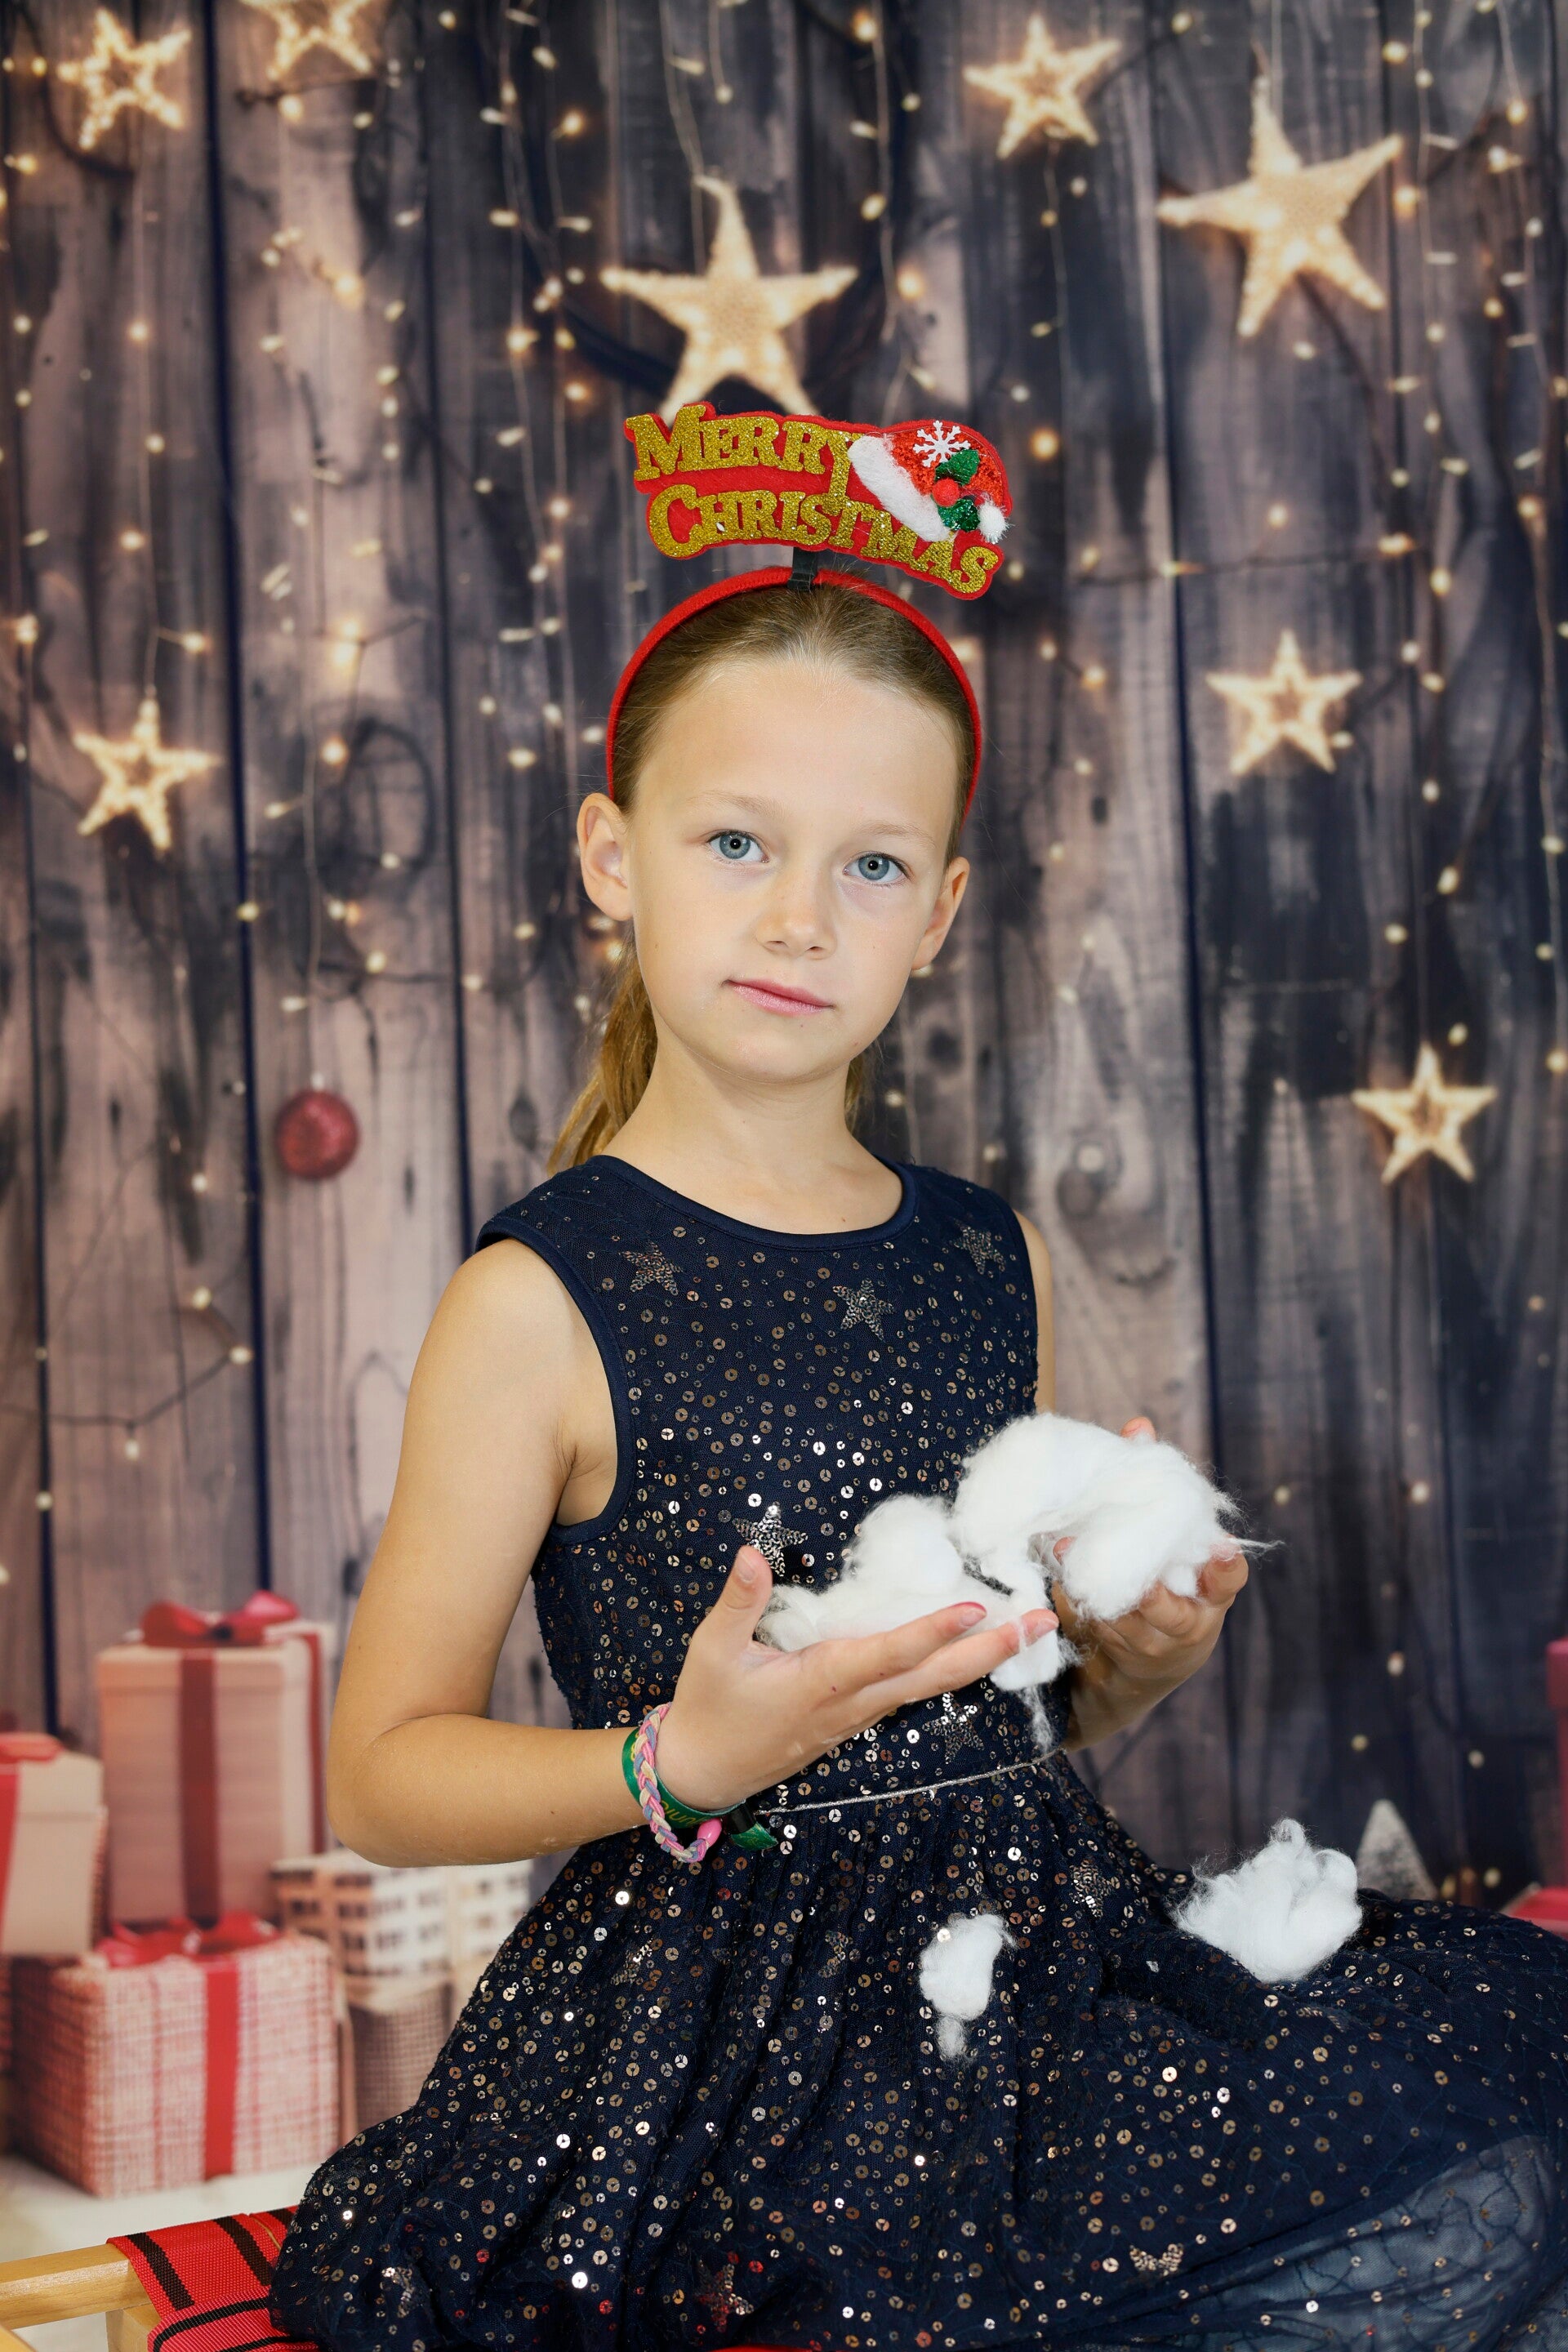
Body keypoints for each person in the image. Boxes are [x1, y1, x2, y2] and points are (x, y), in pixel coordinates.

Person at [272, 558, 1568, 2352]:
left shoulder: (983, 1255)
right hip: (738, 2044)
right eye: (738, 841)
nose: (800, 918)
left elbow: (986, 1723)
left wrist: (1133, 1660)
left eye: (870, 866)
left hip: (1029, 1971)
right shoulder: (539, 1300)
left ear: (942, 909)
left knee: (1496, 2158)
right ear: (610, 856)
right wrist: (679, 1760)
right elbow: (380, 1777)